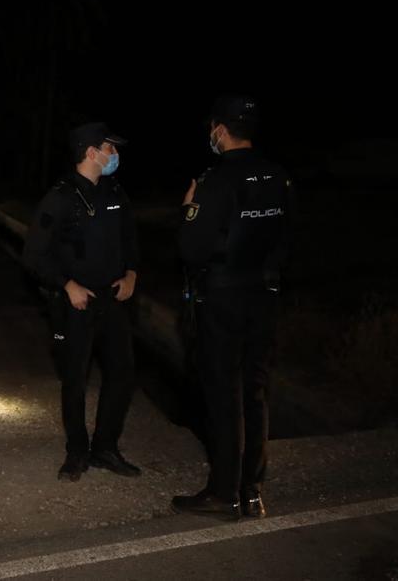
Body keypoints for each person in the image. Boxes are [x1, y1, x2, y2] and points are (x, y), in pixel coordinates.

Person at [172, 95, 292, 520]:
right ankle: (253, 489)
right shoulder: (278, 176)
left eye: (213, 128)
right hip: (265, 295)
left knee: (224, 394)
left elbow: (191, 248)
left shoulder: (215, 181)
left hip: (222, 298)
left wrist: (189, 208)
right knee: (255, 390)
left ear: (220, 130)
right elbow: (285, 239)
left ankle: (225, 491)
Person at [22, 122, 141, 481]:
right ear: (91, 152)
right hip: (76, 304)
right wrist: (66, 284)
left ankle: (106, 448)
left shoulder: (115, 191)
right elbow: (33, 255)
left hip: (114, 299)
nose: (115, 155)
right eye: (110, 148)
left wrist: (132, 272)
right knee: (75, 380)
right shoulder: (60, 197)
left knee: (122, 375)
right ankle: (77, 452)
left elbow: (130, 238)